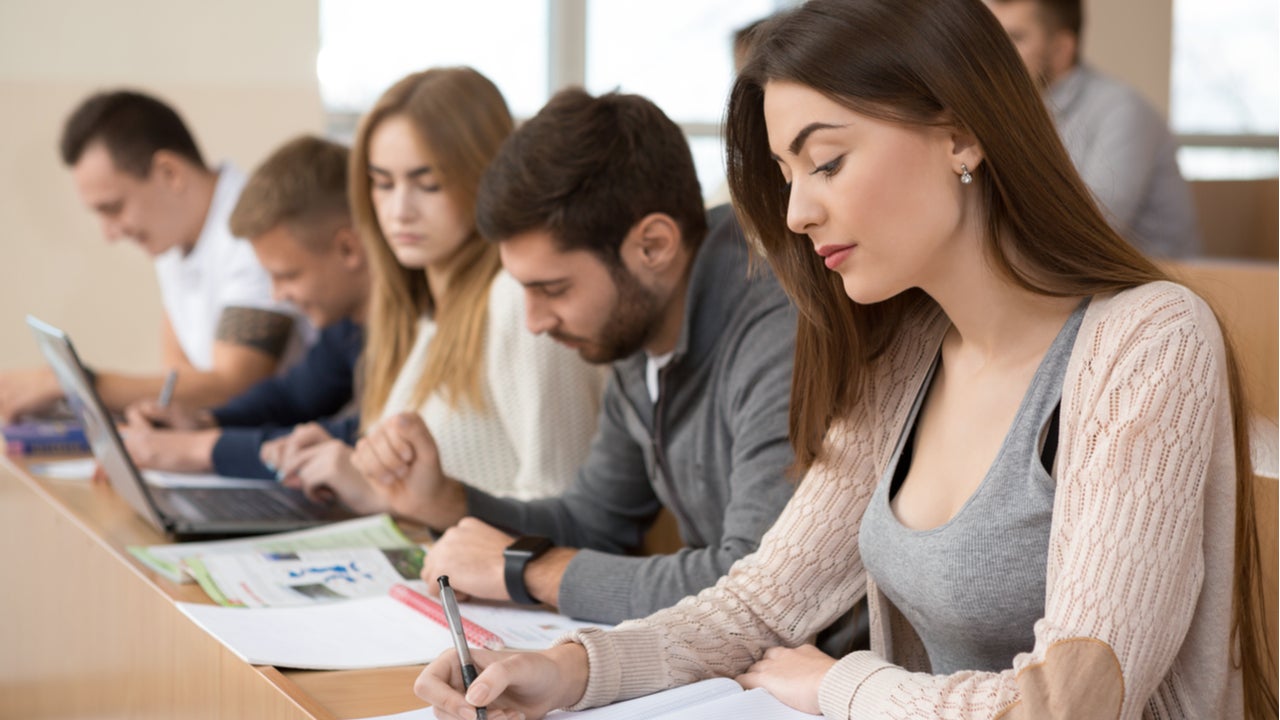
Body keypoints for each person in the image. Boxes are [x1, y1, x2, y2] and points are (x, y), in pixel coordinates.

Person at [414, 2, 1276, 719]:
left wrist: (840, 684)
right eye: (788, 173)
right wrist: (570, 672)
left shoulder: (1149, 340)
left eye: (826, 161)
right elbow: (761, 603)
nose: (795, 213)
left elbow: (1071, 702)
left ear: (963, 136)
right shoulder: (907, 353)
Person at [320, 88, 800, 628]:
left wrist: (534, 571)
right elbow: (591, 521)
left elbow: (756, 582)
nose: (534, 322)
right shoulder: (639, 329)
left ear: (654, 246)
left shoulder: (779, 331)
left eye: (553, 288)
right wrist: (446, 500)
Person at [266, 67, 602, 504]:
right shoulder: (424, 310)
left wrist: (379, 498)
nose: (399, 210)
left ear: (484, 178)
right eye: (383, 183)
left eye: (428, 184)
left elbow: (565, 509)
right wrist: (352, 468)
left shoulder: (517, 302)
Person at [0, 90, 308, 422]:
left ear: (169, 173)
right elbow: (177, 377)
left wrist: (73, 382)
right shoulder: (173, 237)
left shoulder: (251, 231)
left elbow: (233, 384)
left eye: (113, 208)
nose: (109, 233)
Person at [120, 135, 369, 480]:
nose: (277, 295)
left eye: (287, 275)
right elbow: (291, 397)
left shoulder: (415, 323)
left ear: (348, 250)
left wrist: (199, 449)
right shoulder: (348, 327)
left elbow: (361, 440)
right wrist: (205, 423)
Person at [986, 0, 1202, 258]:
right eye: (992, 37)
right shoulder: (1016, 112)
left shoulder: (1122, 111)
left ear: (1060, 49)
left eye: (1014, 38)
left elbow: (1090, 230)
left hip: (1152, 286)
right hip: (1068, 283)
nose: (996, 53)